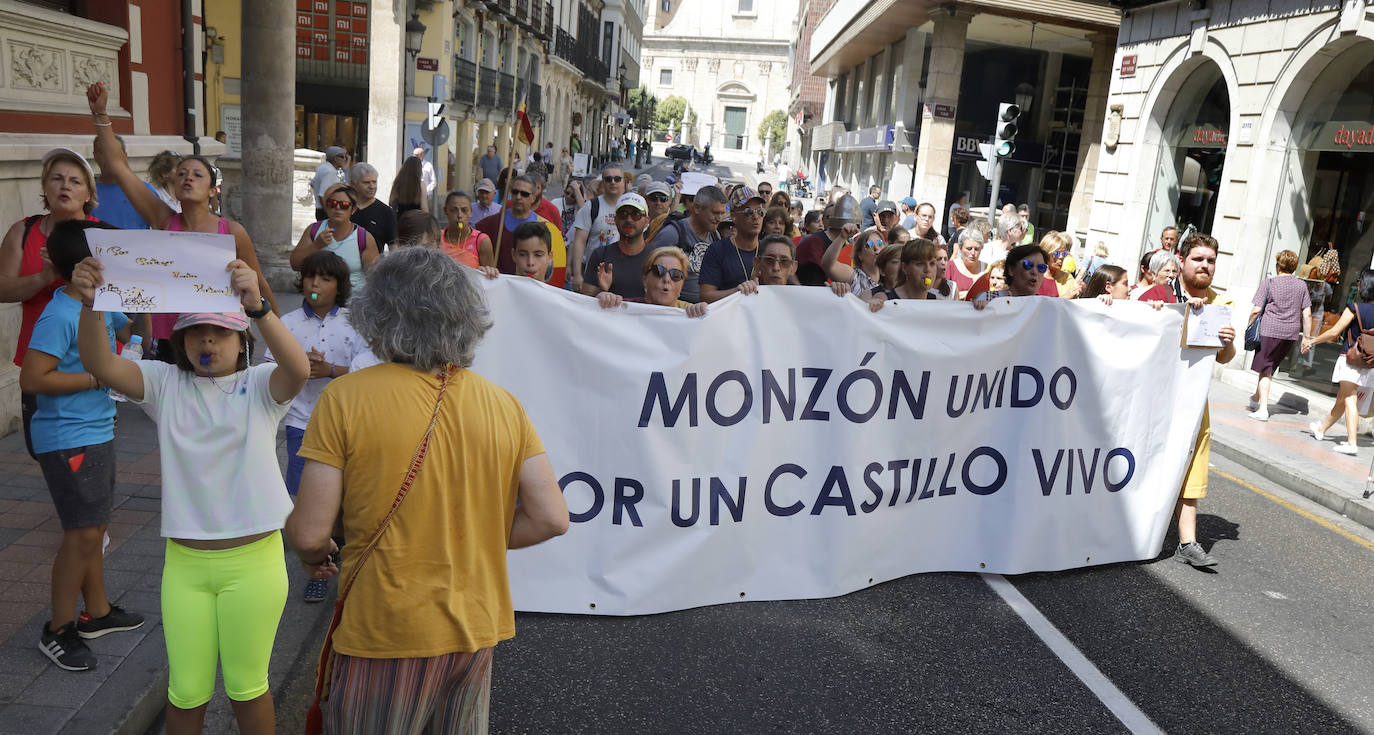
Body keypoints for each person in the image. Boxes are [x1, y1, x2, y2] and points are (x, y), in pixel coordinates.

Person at [284, 247, 567, 733]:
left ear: (377, 315)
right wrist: (469, 538)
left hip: (386, 629)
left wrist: (315, 552)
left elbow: (310, 534)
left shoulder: (345, 398)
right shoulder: (503, 404)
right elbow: (551, 518)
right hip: (476, 626)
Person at [71, 250, 310, 732]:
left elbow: (299, 369)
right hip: (184, 565)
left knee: (247, 686)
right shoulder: (165, 385)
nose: (208, 340)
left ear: (241, 341)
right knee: (185, 691)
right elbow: (99, 362)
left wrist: (260, 308)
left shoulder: (259, 386)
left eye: (221, 331)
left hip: (255, 564)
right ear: (180, 341)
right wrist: (93, 304)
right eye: (196, 331)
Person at [21, 220, 142, 672]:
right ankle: (57, 628)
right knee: (84, 532)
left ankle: (98, 611)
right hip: (67, 437)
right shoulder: (59, 314)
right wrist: (96, 378)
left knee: (94, 525)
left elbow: (127, 332)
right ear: (90, 264)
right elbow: (33, 378)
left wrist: (148, 297)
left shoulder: (99, 303)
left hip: (96, 429)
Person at [86, 82, 278, 346]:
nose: (188, 178)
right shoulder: (163, 220)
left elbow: (260, 284)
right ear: (174, 186)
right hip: (169, 341)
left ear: (211, 190)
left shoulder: (232, 232)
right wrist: (100, 115)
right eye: (182, 174)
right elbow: (118, 165)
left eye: (197, 175)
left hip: (216, 342)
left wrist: (282, 331)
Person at [270, 251, 363, 602]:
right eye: (310, 276)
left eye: (325, 278)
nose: (315, 284)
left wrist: (331, 371)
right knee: (309, 497)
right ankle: (319, 564)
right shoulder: (287, 323)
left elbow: (370, 372)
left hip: (346, 423)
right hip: (302, 421)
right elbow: (270, 369)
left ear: (339, 285)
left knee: (346, 496)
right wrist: (297, 368)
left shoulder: (355, 323)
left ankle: (345, 555)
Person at [3, 146, 101, 459]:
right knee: (43, 449)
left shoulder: (102, 235)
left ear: (88, 193)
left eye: (75, 181)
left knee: (90, 450)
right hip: (39, 358)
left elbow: (120, 297)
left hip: (91, 359)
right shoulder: (23, 230)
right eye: (57, 179)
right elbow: (3, 289)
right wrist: (44, 277)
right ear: (45, 187)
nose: (65, 186)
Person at [1167, 233, 1236, 566]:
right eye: (1198, 259)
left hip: (1194, 402)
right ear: (1182, 261)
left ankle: (1188, 542)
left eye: (1210, 261)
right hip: (1154, 396)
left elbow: (1224, 358)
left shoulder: (1220, 305)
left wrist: (1229, 342)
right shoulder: (1163, 294)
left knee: (1191, 464)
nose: (1205, 266)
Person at [1304, 268, 1374, 455]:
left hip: (1351, 360)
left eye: (1359, 281)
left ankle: (1351, 443)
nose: (1357, 284)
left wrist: (1312, 341)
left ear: (1364, 285)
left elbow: (1334, 332)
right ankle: (1321, 430)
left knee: (1349, 399)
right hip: (1369, 362)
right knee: (1343, 399)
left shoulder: (1354, 308)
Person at [1247, 249, 1311, 421]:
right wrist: (1306, 337)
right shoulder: (1302, 285)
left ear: (1278, 265)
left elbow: (1256, 310)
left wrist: (1249, 325)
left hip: (1269, 331)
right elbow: (1307, 314)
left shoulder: (1269, 283)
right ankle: (1255, 398)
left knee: (1265, 369)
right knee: (1269, 367)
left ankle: (1263, 410)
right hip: (1290, 334)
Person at [475, 174, 565, 285]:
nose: (518, 197)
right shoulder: (490, 224)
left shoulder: (546, 227)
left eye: (524, 194)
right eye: (515, 192)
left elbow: (553, 272)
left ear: (533, 197)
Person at [290, 183, 381, 293]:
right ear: (326, 207)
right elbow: (295, 264)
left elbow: (375, 278)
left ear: (353, 209)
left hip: (352, 301)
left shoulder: (363, 238)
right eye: (332, 204)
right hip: (318, 299)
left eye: (344, 205)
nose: (337, 208)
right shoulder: (313, 230)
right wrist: (316, 246)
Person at [648, 184, 725, 304]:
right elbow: (648, 269)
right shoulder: (672, 233)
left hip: (705, 308)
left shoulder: (715, 235)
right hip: (677, 309)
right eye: (715, 213)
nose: (719, 218)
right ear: (697, 208)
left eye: (722, 213)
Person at [596, 247, 710, 318]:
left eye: (676, 275)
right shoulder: (623, 307)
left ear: (682, 286)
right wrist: (601, 301)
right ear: (645, 280)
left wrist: (706, 314)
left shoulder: (692, 313)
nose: (666, 279)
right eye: (659, 271)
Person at [700, 187, 767, 303]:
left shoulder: (768, 250)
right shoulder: (717, 250)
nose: (756, 217)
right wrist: (738, 292)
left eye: (760, 212)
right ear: (733, 216)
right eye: (748, 212)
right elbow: (705, 296)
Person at [583, 193, 653, 299]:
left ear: (647, 221)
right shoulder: (600, 254)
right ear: (615, 220)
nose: (629, 219)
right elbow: (585, 297)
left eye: (636, 215)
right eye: (623, 214)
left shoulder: (656, 257)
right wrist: (602, 291)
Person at [569, 164, 627, 290]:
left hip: (623, 274)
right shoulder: (591, 206)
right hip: (593, 274)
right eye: (608, 179)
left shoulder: (631, 206)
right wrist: (577, 274)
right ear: (603, 183)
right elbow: (579, 241)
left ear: (624, 182)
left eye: (617, 179)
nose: (613, 182)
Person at [91, 135, 155, 229]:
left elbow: (163, 228)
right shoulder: (86, 193)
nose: (108, 156)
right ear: (95, 156)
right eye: (102, 152)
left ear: (125, 156)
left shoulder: (145, 191)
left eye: (114, 152)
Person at [822, 222, 885, 300]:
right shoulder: (854, 276)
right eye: (869, 245)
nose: (876, 248)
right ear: (859, 255)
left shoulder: (888, 279)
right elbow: (828, 266)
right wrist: (842, 237)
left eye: (880, 243)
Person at [972, 243, 1048, 305]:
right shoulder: (986, 298)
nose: (1034, 272)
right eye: (1028, 265)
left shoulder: (1046, 305)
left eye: (1041, 267)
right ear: (1011, 270)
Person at [872, 239, 941, 307]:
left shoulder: (936, 302)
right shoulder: (885, 300)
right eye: (920, 264)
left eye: (932, 263)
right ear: (904, 267)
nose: (928, 269)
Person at [438, 190, 493, 269]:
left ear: (471, 212)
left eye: (464, 210)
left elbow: (489, 274)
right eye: (454, 210)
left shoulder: (482, 241)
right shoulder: (437, 239)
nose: (459, 215)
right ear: (445, 211)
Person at [348, 163, 396, 252]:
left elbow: (393, 245)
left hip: (375, 260)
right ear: (353, 184)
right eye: (366, 183)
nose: (372, 186)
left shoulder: (386, 211)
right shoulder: (343, 207)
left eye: (374, 182)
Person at [312, 146, 350, 221]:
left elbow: (312, 183)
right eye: (342, 157)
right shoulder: (330, 172)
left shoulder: (323, 167)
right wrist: (328, 212)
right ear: (335, 158)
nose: (345, 160)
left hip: (321, 209)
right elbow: (322, 195)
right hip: (326, 210)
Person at [1043, 232, 1082, 298]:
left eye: (1064, 253)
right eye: (1057, 253)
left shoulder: (1067, 278)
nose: (1061, 257)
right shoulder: (1035, 276)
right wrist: (1065, 297)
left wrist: (1076, 293)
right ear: (1046, 254)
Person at [146, 150, 184, 214]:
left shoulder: (185, 197)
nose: (182, 172)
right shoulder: (156, 197)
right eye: (178, 168)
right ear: (165, 173)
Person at [948, 229, 985, 296]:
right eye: (969, 249)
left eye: (976, 249)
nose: (973, 253)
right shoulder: (950, 267)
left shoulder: (988, 269)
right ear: (960, 248)